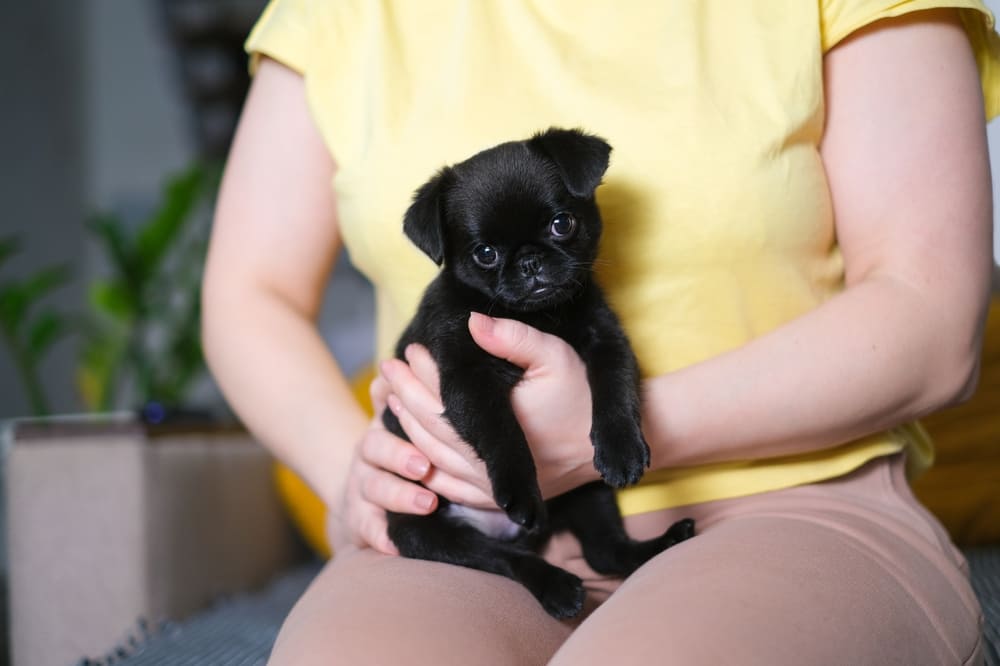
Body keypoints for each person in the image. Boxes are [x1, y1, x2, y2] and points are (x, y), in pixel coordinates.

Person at [202, 1, 1000, 663]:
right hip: (471, 516)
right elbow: (250, 294)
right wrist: (360, 476)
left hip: (786, 498)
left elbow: (931, 315)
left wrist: (607, 429)